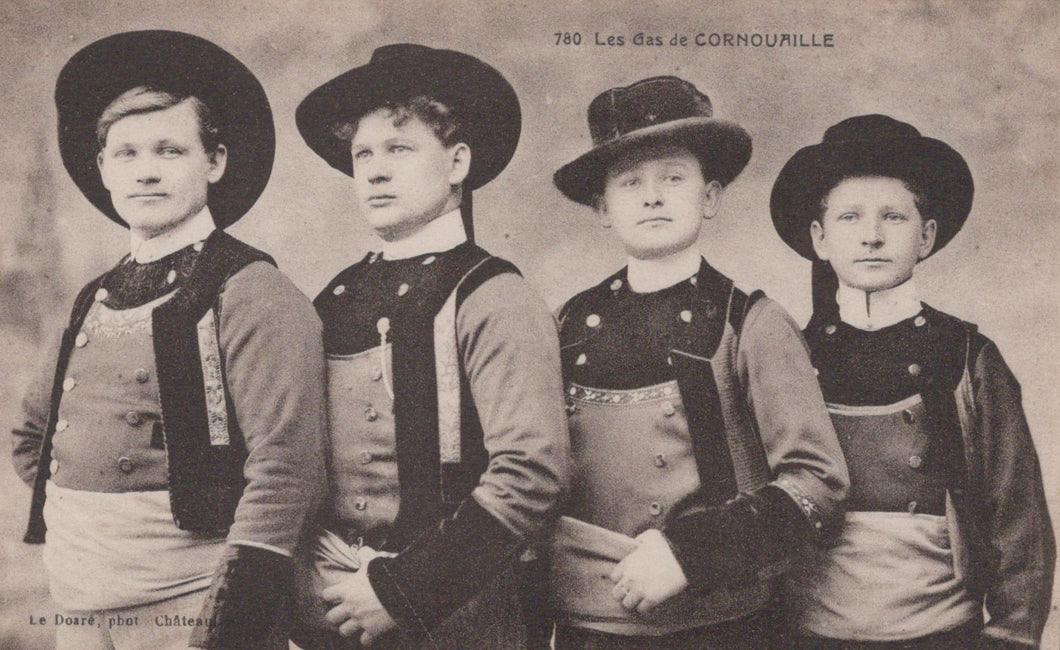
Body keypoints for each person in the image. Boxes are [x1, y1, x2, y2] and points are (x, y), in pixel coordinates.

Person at [11, 30, 328, 649]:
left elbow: (288, 471)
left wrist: (230, 619)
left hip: (195, 604)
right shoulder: (94, 296)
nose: (147, 171)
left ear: (215, 162)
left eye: (169, 150)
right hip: (78, 598)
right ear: (103, 169)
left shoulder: (252, 290)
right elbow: (33, 438)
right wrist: (93, 527)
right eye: (126, 153)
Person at [546, 75, 849, 649]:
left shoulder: (751, 323)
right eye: (630, 181)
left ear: (709, 197)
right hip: (586, 629)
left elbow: (819, 484)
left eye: (673, 177)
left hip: (722, 628)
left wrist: (692, 553)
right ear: (602, 207)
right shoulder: (563, 325)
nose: (652, 196)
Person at [292, 43, 569, 649]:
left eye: (399, 148)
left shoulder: (493, 294)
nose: (375, 170)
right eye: (363, 153)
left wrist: (404, 592)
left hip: (458, 614)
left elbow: (531, 473)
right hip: (330, 614)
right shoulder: (334, 298)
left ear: (457, 162)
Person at [770, 114, 1055, 649]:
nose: (872, 236)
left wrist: (1010, 637)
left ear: (926, 236)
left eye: (894, 217)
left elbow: (1018, 517)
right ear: (819, 238)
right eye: (850, 217)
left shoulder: (967, 357)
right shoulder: (786, 358)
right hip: (807, 635)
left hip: (942, 634)